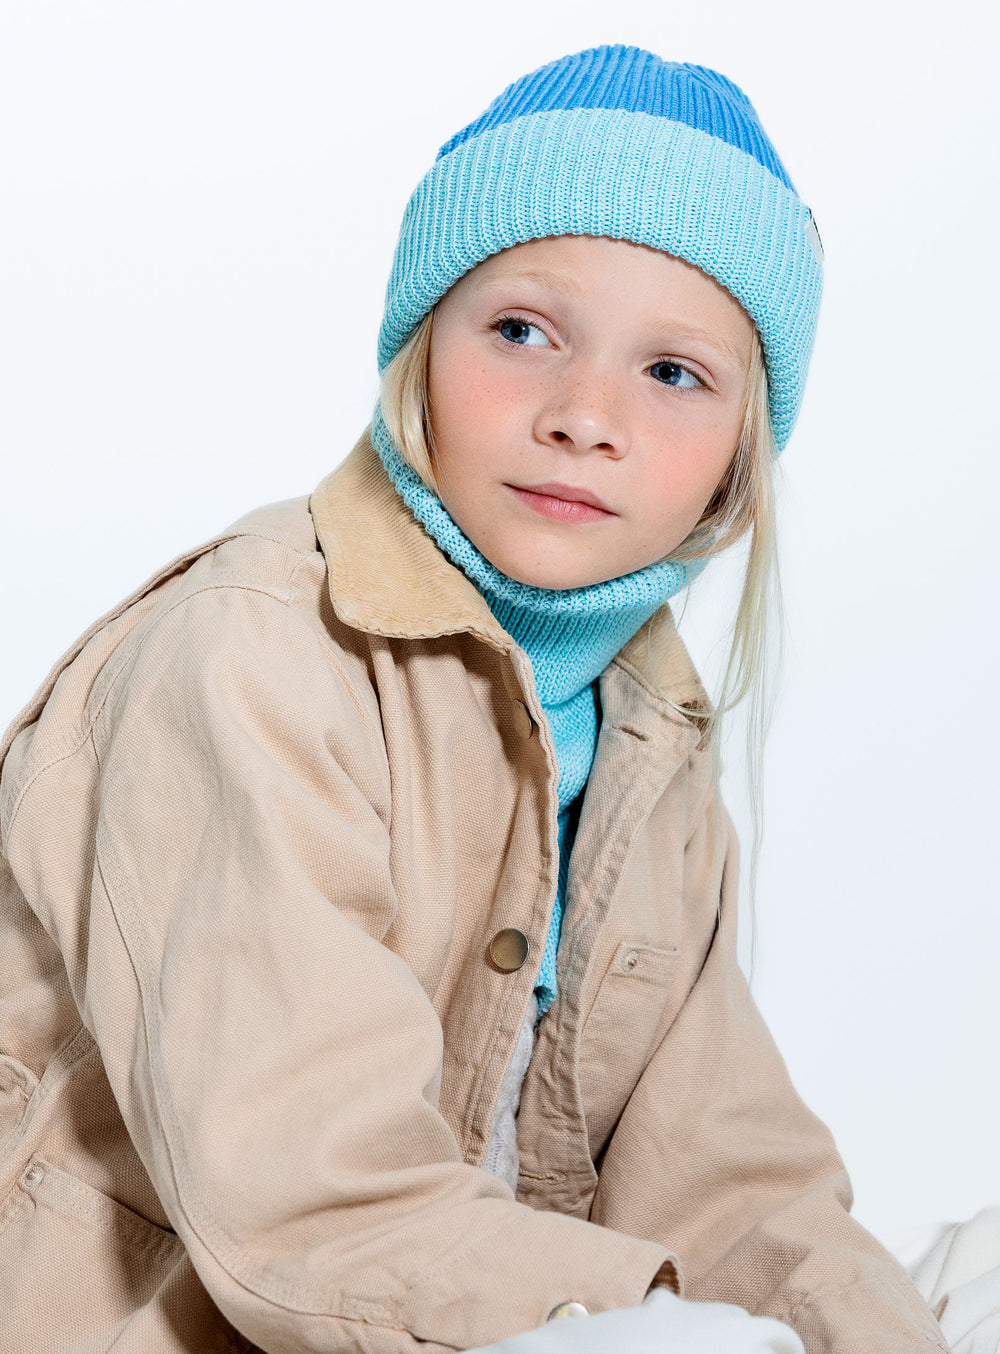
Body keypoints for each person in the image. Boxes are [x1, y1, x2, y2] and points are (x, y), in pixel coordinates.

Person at [0, 44, 948, 1354]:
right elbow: (312, 1193)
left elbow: (728, 1174)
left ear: (741, 448)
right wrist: (670, 1323)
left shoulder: (644, 732)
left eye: (673, 372)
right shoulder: (252, 655)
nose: (583, 413)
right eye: (522, 331)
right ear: (420, 346)